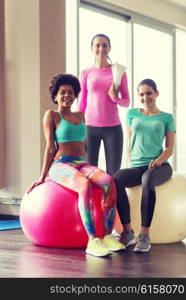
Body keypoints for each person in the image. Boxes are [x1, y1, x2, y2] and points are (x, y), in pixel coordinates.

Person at [27, 73, 125, 257]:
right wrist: (42, 177)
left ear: (75, 95)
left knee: (108, 181)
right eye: (62, 92)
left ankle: (106, 236)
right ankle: (92, 240)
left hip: (81, 164)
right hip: (60, 165)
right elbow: (50, 147)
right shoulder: (52, 115)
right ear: (55, 96)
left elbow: (85, 145)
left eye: (71, 92)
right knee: (84, 185)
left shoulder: (81, 115)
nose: (67, 95)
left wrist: (90, 168)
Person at [114, 79, 176, 252]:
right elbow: (130, 140)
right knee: (116, 178)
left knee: (147, 179)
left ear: (156, 93)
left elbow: (170, 147)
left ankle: (144, 234)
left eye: (149, 93)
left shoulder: (167, 117)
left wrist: (159, 161)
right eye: (141, 94)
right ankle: (127, 232)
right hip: (137, 165)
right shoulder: (132, 114)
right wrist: (129, 161)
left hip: (160, 166)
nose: (145, 97)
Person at [78, 33, 130, 176]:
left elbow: (126, 101)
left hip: (113, 129)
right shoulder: (85, 73)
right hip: (89, 128)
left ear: (110, 48)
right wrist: (78, 128)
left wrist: (115, 98)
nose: (101, 48)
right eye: (97, 45)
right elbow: (82, 103)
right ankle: (92, 199)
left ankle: (112, 199)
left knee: (114, 174)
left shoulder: (119, 72)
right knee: (89, 173)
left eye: (104, 45)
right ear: (92, 48)